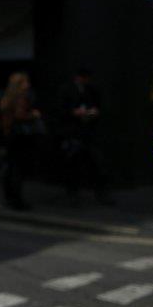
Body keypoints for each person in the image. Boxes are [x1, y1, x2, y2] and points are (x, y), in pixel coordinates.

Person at [58, 68, 114, 205]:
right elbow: (61, 110)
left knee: (96, 163)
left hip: (88, 132)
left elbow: (99, 106)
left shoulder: (91, 90)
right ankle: (73, 194)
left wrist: (94, 111)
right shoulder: (67, 90)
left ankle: (100, 193)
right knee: (74, 164)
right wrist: (74, 113)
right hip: (74, 132)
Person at [0, 71, 42, 211]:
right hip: (19, 136)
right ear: (20, 84)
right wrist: (33, 115)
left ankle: (9, 196)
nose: (28, 85)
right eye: (25, 82)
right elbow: (21, 115)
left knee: (10, 167)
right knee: (18, 168)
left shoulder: (7, 97)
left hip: (9, 135)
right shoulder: (21, 97)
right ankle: (17, 200)